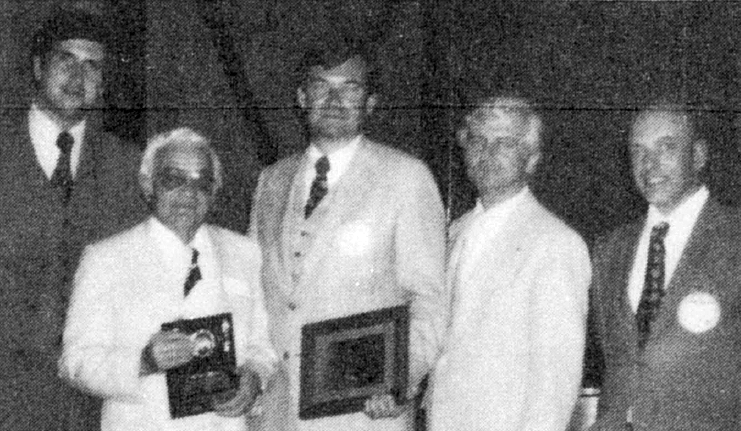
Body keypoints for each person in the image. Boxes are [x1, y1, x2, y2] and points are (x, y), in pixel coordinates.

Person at [248, 43, 446, 431]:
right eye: (321, 86)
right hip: (277, 416)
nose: (334, 99)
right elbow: (257, 298)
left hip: (364, 416)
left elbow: (429, 300)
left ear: (371, 102)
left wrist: (398, 379)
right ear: (302, 98)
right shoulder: (270, 180)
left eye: (350, 88)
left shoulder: (406, 177)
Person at [60, 127, 278, 431]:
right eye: (173, 180)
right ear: (149, 185)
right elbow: (75, 362)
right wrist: (143, 362)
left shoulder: (243, 252)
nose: (188, 193)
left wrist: (254, 378)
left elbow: (263, 346)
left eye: (201, 182)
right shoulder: (106, 258)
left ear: (214, 191)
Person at [0, 8, 146, 430]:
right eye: (66, 59)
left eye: (93, 66)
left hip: (94, 408)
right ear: (38, 67)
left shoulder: (131, 168)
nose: (78, 75)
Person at [427, 97, 591, 431]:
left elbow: (555, 383)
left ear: (532, 159)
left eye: (504, 143)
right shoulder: (454, 233)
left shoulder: (556, 243)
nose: (487, 154)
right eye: (478, 141)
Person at [590, 102, 740, 431]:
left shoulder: (734, 239)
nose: (650, 165)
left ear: (698, 156)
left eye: (667, 147)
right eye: (638, 152)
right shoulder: (609, 250)